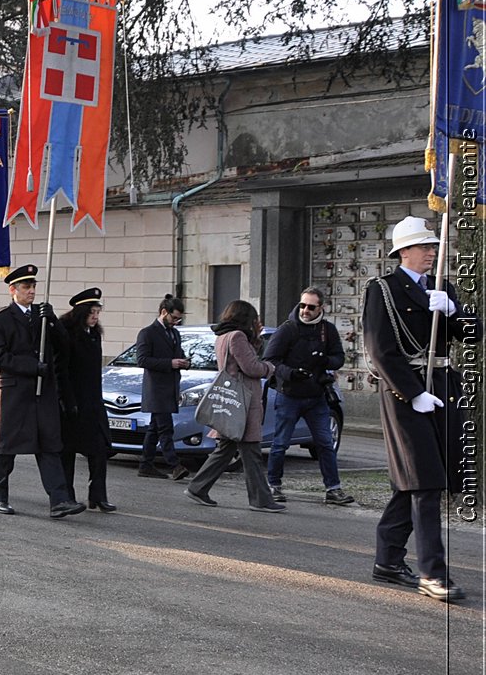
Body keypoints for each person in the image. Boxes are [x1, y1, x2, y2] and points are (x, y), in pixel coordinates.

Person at [362, 216, 480, 602]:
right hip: (404, 392)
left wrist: (453, 312)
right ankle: (433, 573)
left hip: (443, 385)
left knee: (421, 477)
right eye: (425, 246)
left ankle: (388, 560)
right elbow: (380, 349)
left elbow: (475, 334)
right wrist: (413, 393)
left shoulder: (441, 287)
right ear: (404, 251)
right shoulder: (383, 289)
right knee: (425, 481)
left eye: (434, 246)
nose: (432, 252)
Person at [0, 265, 82, 517]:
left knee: (49, 444)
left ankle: (59, 500)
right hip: (15, 391)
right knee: (8, 446)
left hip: (42, 392)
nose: (31, 291)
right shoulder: (3, 318)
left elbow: (65, 346)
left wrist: (52, 320)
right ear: (13, 290)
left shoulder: (41, 317)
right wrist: (31, 366)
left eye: (33, 287)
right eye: (26, 287)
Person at [183, 299, 283, 513]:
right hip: (243, 402)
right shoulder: (237, 336)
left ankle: (198, 487)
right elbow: (251, 367)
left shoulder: (223, 336)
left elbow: (238, 361)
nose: (257, 322)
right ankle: (261, 500)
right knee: (251, 451)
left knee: (226, 450)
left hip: (233, 400)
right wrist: (269, 368)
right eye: (254, 319)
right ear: (246, 319)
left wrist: (255, 339)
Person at [262, 286, 353, 506]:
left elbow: (339, 357)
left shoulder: (327, 330)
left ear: (321, 308)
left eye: (311, 307)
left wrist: (325, 361)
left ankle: (333, 489)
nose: (305, 310)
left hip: (316, 397)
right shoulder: (287, 329)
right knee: (280, 443)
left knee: (324, 443)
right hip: (289, 395)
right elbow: (270, 359)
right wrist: (291, 373)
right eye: (302, 305)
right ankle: (273, 486)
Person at [56, 288, 116, 512]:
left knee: (100, 450)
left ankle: (98, 495)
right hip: (72, 403)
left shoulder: (94, 334)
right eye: (92, 312)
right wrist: (67, 401)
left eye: (98, 312)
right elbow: (61, 369)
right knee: (68, 452)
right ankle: (67, 496)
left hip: (93, 404)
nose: (95, 317)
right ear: (81, 312)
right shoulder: (67, 332)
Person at [134, 295, 192, 480]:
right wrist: (171, 363)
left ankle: (146, 464)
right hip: (156, 389)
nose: (176, 322)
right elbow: (142, 360)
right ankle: (174, 465)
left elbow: (178, 354)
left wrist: (184, 362)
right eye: (174, 318)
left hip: (170, 387)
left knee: (154, 429)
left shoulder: (174, 333)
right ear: (163, 312)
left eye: (179, 319)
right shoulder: (148, 333)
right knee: (165, 428)